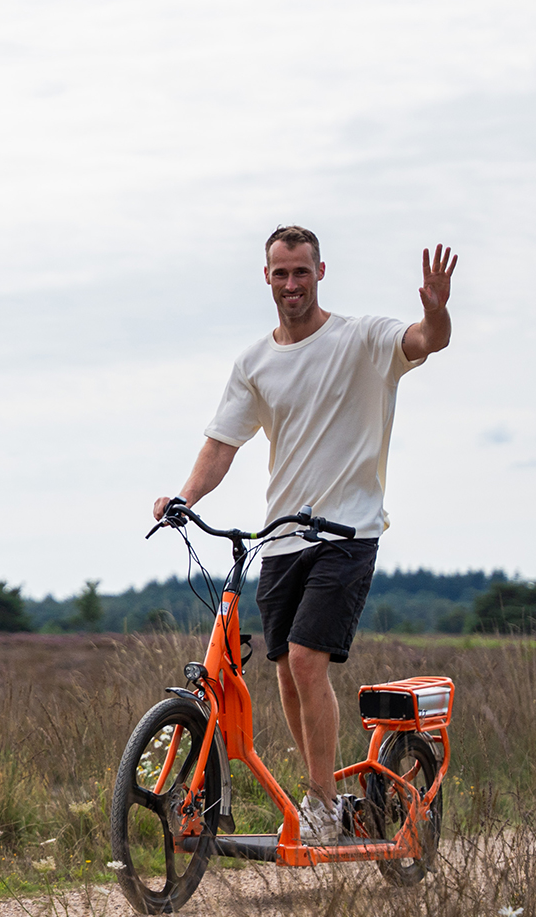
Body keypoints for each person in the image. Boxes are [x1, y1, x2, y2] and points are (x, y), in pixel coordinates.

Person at [153, 225, 457, 843]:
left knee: (306, 660)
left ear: (321, 272)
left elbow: (427, 340)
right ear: (266, 278)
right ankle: (326, 794)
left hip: (348, 532)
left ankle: (319, 803)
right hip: (283, 537)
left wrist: (437, 311)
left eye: (301, 272)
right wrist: (184, 497)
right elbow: (221, 444)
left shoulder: (363, 339)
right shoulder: (255, 362)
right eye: (280, 274)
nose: (291, 284)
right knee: (288, 673)